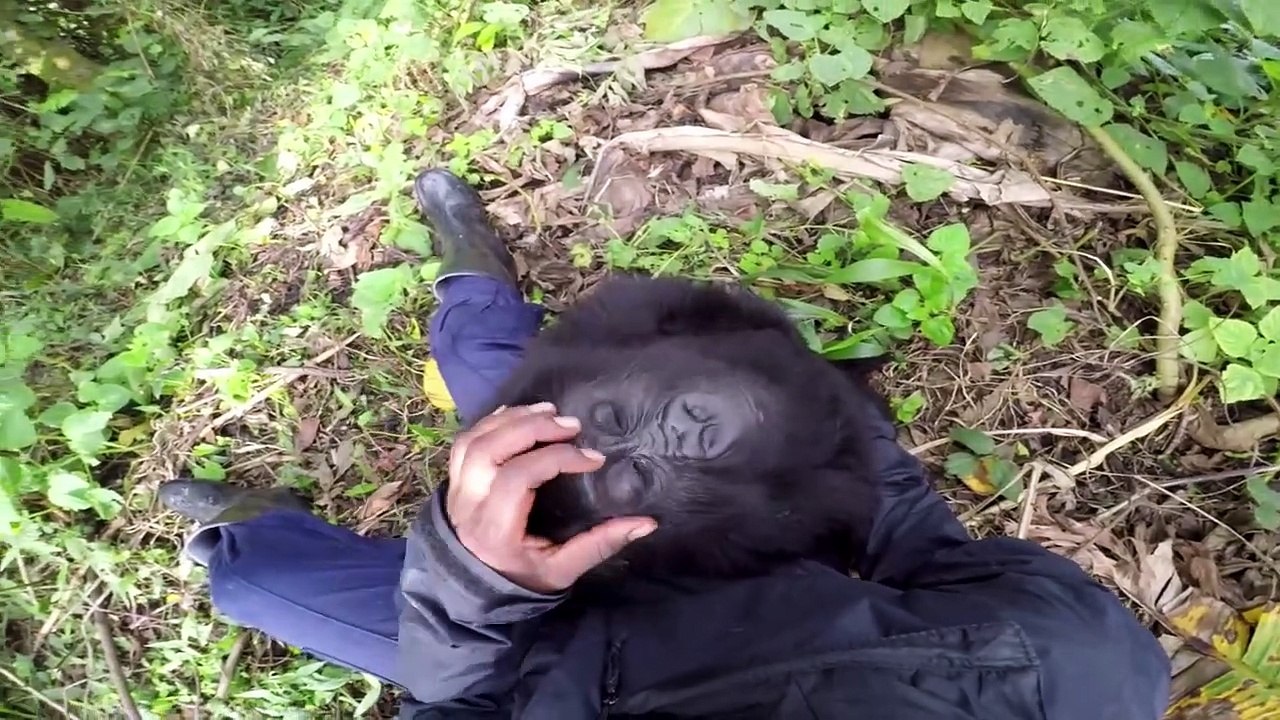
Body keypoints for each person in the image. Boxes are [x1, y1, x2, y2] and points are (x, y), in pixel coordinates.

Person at [159, 169, 1172, 719]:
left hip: (527, 662)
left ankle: (258, 520)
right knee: (488, 362)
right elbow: (919, 534)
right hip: (752, 549)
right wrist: (799, 408)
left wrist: (469, 586)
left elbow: (446, 704)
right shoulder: (1084, 671)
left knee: (251, 581)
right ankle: (474, 272)